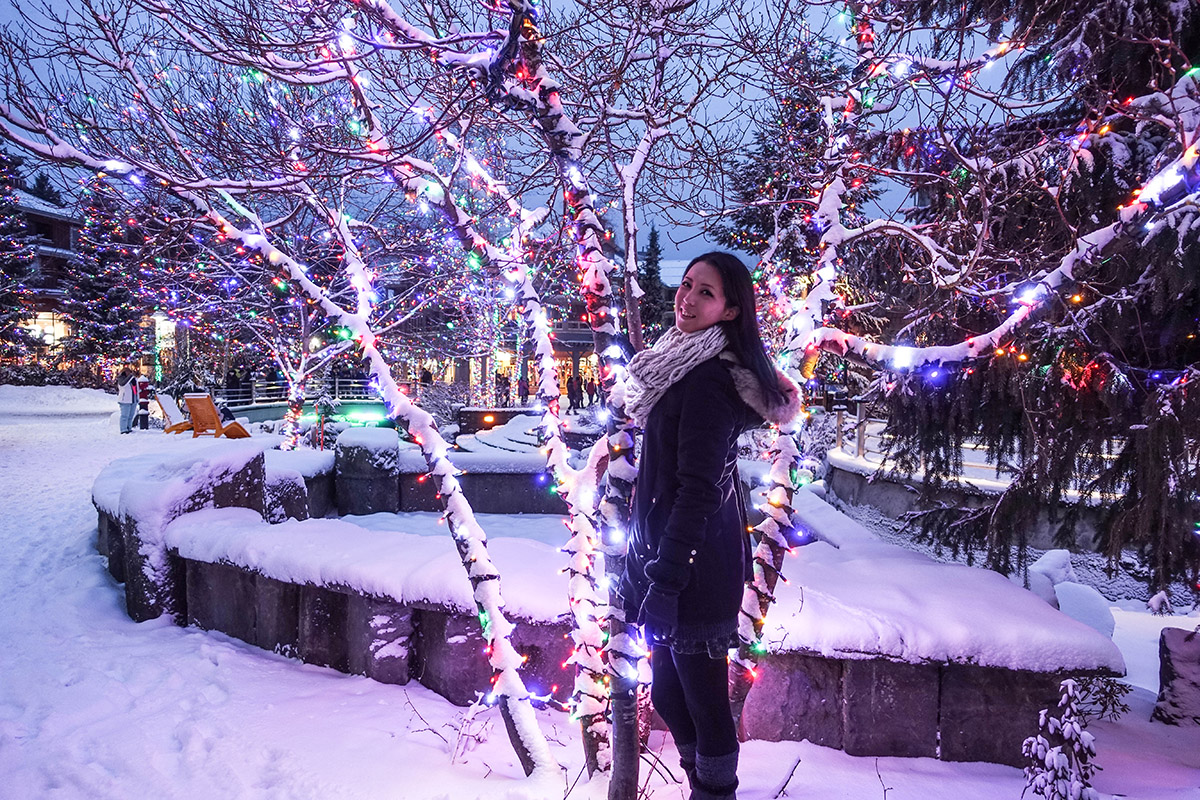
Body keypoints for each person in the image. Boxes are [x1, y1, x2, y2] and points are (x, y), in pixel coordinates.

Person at [618, 252, 800, 800]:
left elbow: (696, 491)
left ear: (729, 310)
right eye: (687, 284)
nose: (687, 298)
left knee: (699, 699)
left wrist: (668, 581)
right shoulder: (678, 365)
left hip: (692, 568)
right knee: (672, 699)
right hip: (669, 559)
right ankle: (704, 783)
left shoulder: (706, 382)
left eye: (705, 292)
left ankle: (715, 792)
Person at [115, 367, 137, 434]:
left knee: (131, 415)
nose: (128, 373)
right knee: (125, 415)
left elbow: (135, 389)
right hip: (125, 400)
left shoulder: (132, 379)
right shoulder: (121, 379)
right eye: (127, 372)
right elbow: (123, 384)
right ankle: (123, 429)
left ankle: (129, 427)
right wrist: (130, 377)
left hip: (133, 399)